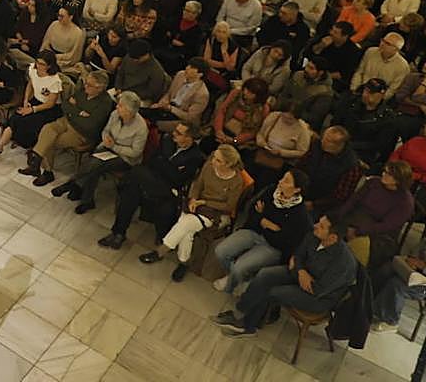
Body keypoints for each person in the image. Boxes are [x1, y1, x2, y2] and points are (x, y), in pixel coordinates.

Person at [216, 214, 357, 338]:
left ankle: (248, 326)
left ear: (332, 237)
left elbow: (318, 289)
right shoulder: (313, 236)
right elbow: (298, 255)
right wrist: (301, 271)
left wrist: (298, 268)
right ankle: (240, 313)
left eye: (321, 226)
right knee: (265, 275)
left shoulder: (343, 263)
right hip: (300, 275)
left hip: (317, 297)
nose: (315, 226)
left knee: (271, 292)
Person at [138, 145, 249, 281]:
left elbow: (229, 206)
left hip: (215, 212)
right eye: (214, 157)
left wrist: (203, 203)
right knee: (187, 231)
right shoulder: (209, 167)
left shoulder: (236, 181)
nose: (213, 161)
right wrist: (194, 198)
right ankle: (184, 262)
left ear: (228, 164)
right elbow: (198, 184)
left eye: (218, 160)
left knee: (185, 223)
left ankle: (160, 251)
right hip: (196, 205)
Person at [98, 122, 205, 249]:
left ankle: (118, 232)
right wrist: (169, 167)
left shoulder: (195, 156)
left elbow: (178, 179)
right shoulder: (167, 140)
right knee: (131, 191)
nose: (173, 134)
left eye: (178, 133)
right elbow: (152, 160)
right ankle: (118, 233)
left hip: (168, 189)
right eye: (175, 130)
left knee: (136, 172)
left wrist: (163, 163)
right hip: (151, 179)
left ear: (189, 138)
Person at [212, 169, 311, 294]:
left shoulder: (300, 215)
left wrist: (263, 219)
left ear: (297, 189)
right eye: (283, 178)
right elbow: (252, 211)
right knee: (221, 251)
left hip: (272, 247)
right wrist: (265, 222)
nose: (280, 182)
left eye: (286, 181)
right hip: (254, 230)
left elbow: (284, 241)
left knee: (240, 267)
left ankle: (232, 283)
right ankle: (236, 277)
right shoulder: (271, 191)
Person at [54, 91, 149, 213]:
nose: (116, 107)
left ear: (128, 111)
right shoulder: (115, 115)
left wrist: (114, 146)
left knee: (95, 163)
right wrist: (106, 138)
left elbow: (135, 152)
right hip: (108, 148)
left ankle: (74, 184)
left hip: (125, 158)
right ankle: (85, 199)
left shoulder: (141, 128)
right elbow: (106, 130)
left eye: (120, 106)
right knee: (94, 164)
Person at [20, 69, 114, 187]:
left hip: (81, 133)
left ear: (100, 88)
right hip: (65, 121)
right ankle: (36, 163)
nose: (85, 86)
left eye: (89, 85)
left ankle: (45, 170)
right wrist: (79, 112)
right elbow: (65, 105)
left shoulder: (105, 102)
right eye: (86, 83)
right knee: (47, 129)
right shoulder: (83, 91)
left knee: (50, 142)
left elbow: (89, 124)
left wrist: (74, 109)